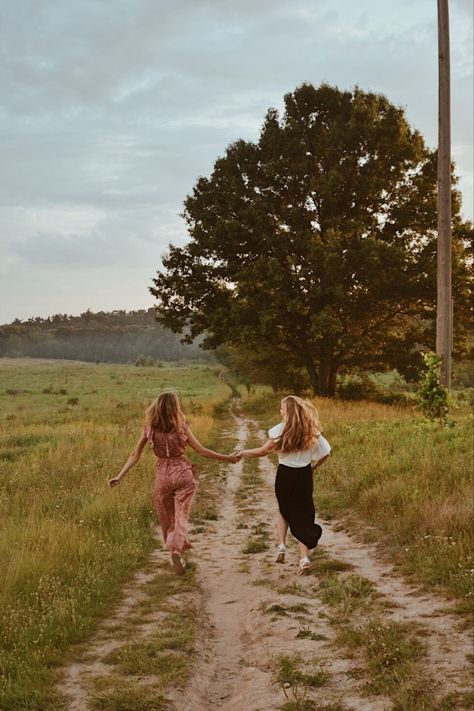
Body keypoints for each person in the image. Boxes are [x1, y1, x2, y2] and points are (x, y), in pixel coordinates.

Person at [109, 391, 240, 575]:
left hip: (162, 477)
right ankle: (176, 550)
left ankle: (173, 549)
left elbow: (135, 454)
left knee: (167, 519)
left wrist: (120, 476)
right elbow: (201, 451)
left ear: (156, 407)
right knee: (180, 517)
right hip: (183, 475)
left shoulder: (149, 429)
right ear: (175, 407)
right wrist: (228, 458)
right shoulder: (181, 427)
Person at [238, 395, 331, 575]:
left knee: (283, 509)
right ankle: (303, 558)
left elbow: (262, 451)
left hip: (285, 475)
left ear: (286, 412)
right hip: (304, 475)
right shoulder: (311, 431)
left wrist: (243, 452)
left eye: (281, 408)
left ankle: (281, 545)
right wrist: (314, 467)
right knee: (304, 514)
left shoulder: (279, 431)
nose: (280, 411)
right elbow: (326, 453)